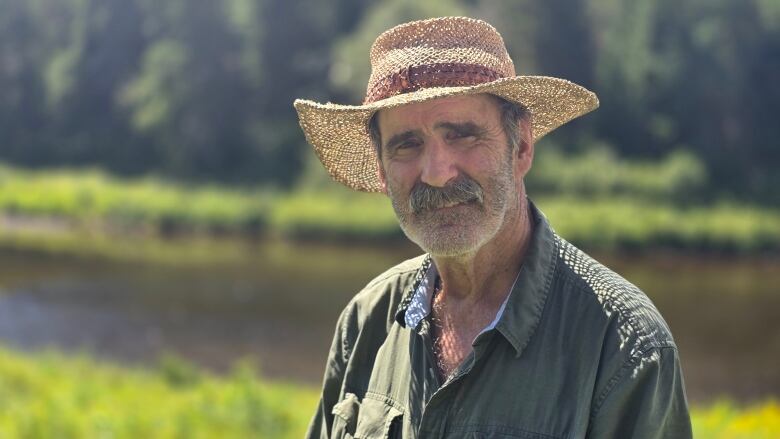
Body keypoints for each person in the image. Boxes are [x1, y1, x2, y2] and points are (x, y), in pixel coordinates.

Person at [294, 16, 692, 439]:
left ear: (520, 146)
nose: (436, 173)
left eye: (462, 135)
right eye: (407, 145)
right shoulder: (364, 323)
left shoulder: (623, 344)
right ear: (381, 170)